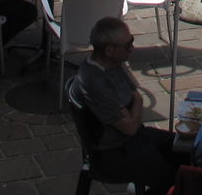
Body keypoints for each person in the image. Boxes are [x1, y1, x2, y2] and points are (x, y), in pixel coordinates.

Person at [75, 15, 176, 192]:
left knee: (184, 148)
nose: (132, 48)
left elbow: (137, 97)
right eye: (128, 45)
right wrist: (133, 111)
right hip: (113, 152)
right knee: (172, 176)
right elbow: (129, 127)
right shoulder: (94, 82)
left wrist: (132, 112)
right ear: (109, 50)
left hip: (133, 138)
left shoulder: (115, 63)